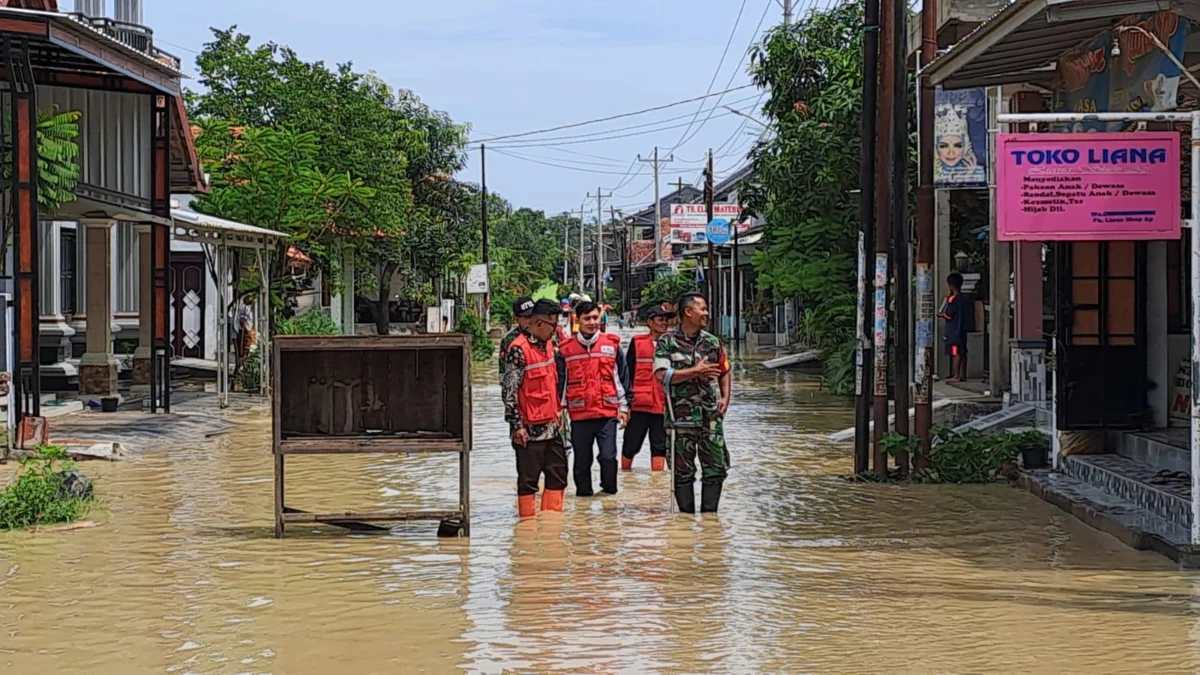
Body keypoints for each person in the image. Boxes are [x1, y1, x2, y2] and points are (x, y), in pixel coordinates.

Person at [654, 292, 731, 514]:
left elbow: (725, 370)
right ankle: (686, 522)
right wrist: (694, 372)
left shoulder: (712, 342)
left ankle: (710, 522)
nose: (706, 313)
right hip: (680, 419)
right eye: (702, 309)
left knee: (716, 469)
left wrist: (726, 398)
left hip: (710, 417)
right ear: (688, 312)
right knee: (681, 471)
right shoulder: (667, 341)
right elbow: (660, 375)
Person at [502, 299, 569, 518]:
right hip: (528, 430)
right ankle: (527, 530)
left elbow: (553, 383)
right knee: (529, 481)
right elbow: (509, 392)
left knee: (558, 475)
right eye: (553, 325)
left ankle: (551, 528)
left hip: (552, 426)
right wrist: (516, 426)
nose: (555, 330)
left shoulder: (549, 346)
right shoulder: (518, 350)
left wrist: (559, 412)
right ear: (539, 323)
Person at [558, 300, 629, 496]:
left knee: (608, 457)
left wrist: (624, 408)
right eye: (587, 318)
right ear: (577, 319)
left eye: (595, 318)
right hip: (579, 415)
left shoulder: (612, 345)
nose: (592, 322)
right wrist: (558, 412)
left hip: (607, 413)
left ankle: (609, 494)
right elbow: (561, 385)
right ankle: (583, 502)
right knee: (581, 460)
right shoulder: (565, 349)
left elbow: (621, 379)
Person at [622, 302, 674, 472]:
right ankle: (625, 475)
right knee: (631, 443)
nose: (664, 323)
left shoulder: (673, 344)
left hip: (662, 404)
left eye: (666, 320)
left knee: (659, 445)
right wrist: (625, 403)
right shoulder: (637, 342)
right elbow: (627, 372)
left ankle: (657, 482)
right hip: (639, 403)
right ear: (650, 322)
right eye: (660, 319)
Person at [939, 272, 973, 383]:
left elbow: (948, 315)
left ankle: (956, 375)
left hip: (953, 330)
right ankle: (962, 374)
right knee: (962, 352)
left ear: (951, 286)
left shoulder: (953, 300)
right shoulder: (964, 299)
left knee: (955, 352)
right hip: (962, 329)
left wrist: (941, 314)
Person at [499, 296, 535, 377]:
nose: (531, 320)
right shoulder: (509, 340)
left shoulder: (544, 335)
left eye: (533, 315)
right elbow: (504, 374)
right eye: (527, 317)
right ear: (517, 319)